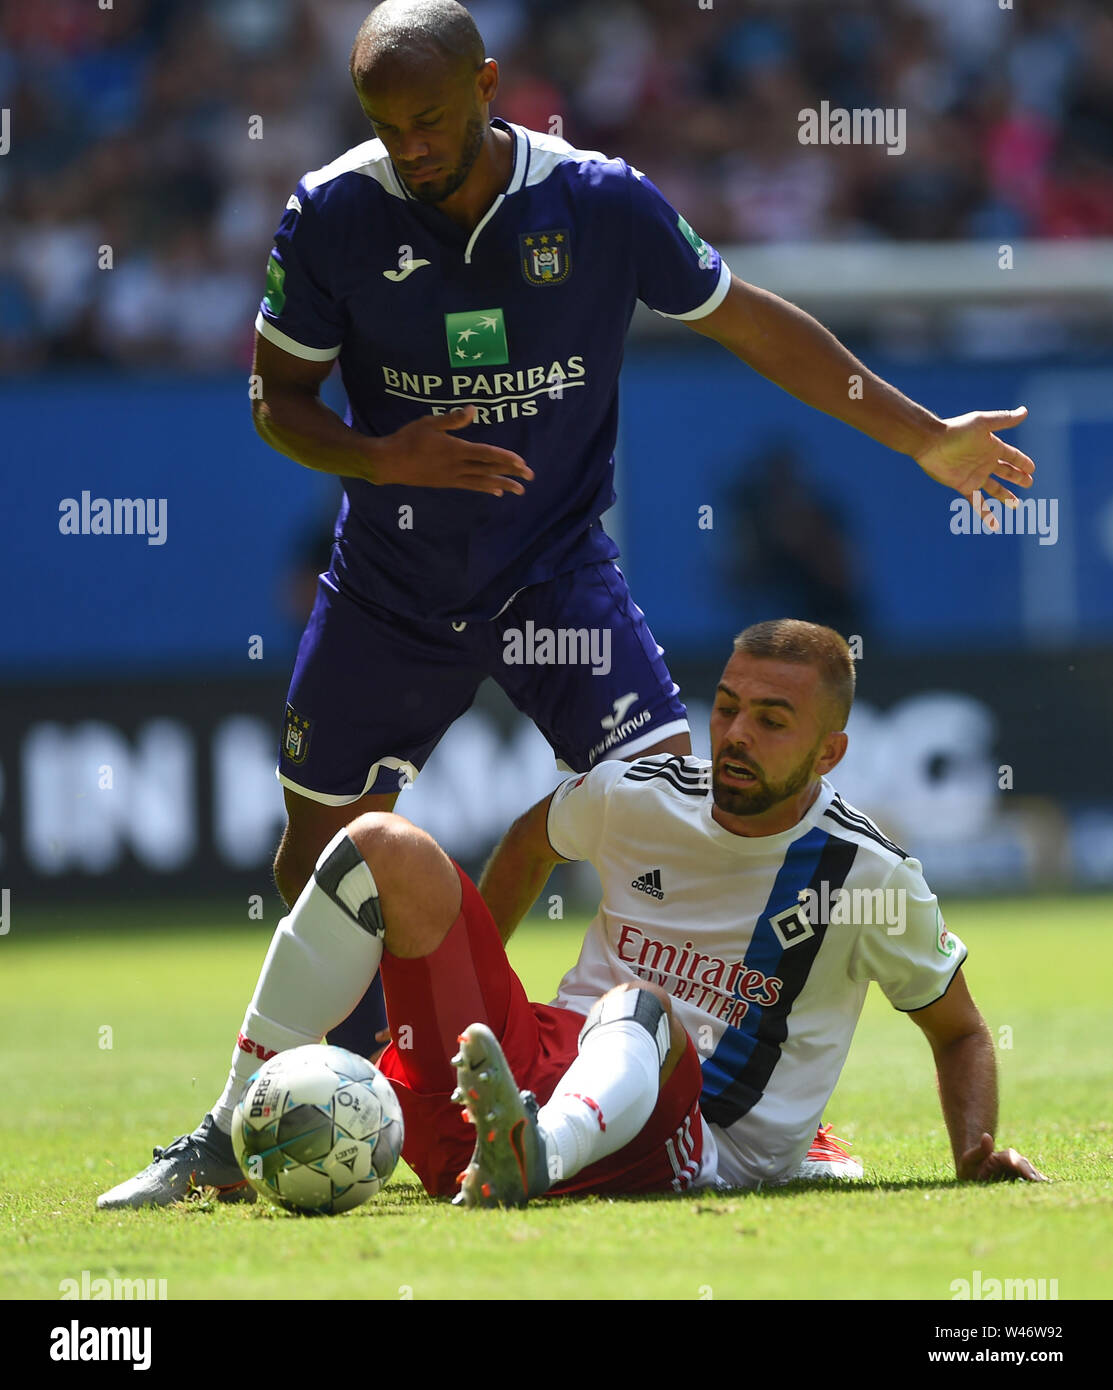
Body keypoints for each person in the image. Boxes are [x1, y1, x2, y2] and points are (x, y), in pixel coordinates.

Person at [246, 0, 1035, 1060]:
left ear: (489, 86)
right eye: (389, 128)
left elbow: (750, 319)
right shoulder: (332, 212)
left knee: (682, 808)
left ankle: (676, 1087)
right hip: (391, 584)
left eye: (432, 117)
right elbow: (274, 403)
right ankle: (344, 1076)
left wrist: (922, 436)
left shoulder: (598, 202)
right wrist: (384, 456)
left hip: (554, 575)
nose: (414, 147)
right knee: (317, 847)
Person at [96, 620, 1044, 1210]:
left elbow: (959, 1032)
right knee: (381, 843)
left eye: (770, 720)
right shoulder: (636, 793)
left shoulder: (866, 874)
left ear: (829, 751)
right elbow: (527, 842)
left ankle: (530, 1159)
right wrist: (460, 1000)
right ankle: (224, 1135)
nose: (734, 736)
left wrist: (973, 1154)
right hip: (522, 1073)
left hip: (692, 1146)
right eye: (725, 708)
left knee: (635, 1007)